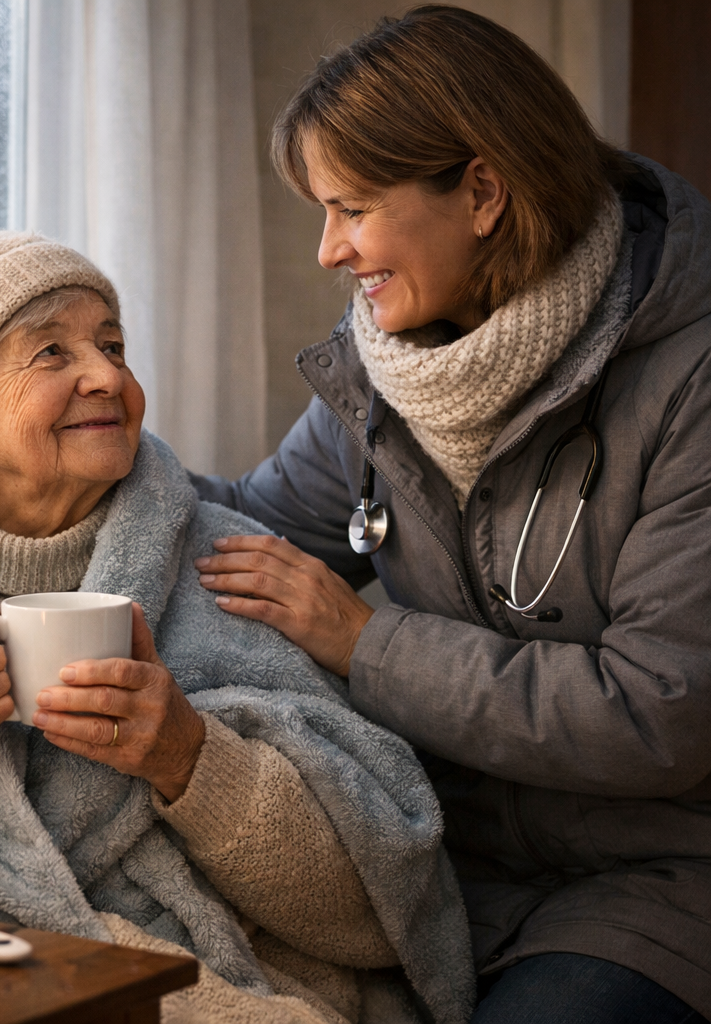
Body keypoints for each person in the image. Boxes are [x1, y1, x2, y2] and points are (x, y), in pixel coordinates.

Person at [0, 232, 474, 1024]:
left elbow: (380, 909)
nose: (106, 376)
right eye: (50, 353)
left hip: (182, 983)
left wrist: (187, 757)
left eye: (112, 345)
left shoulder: (228, 565)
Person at [182, 8, 710, 1024]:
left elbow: (660, 715)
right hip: (437, 865)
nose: (330, 250)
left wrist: (365, 642)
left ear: (479, 191)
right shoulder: (395, 368)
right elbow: (249, 529)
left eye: (351, 209)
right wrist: (3, 486)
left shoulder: (690, 378)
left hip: (660, 884)